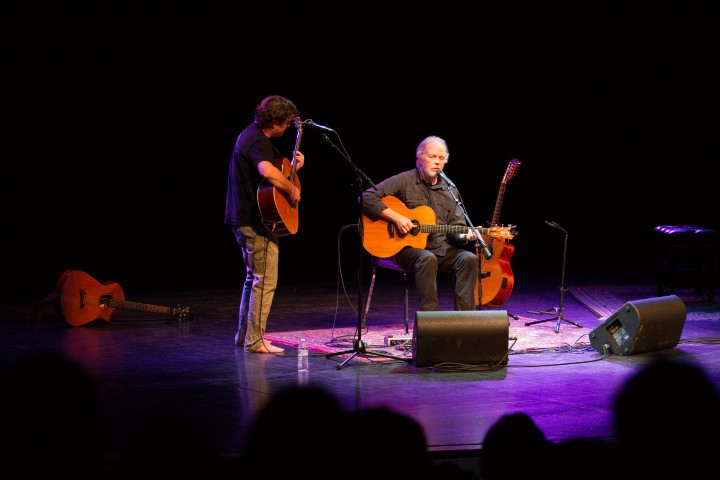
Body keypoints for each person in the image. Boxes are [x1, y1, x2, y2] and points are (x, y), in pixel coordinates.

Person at [362, 135, 480, 311]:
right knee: (427, 258)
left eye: (441, 158)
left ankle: (465, 321)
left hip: (440, 249)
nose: (437, 162)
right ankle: (431, 321)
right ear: (420, 157)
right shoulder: (404, 180)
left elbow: (456, 229)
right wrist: (397, 217)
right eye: (432, 157)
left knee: (469, 258)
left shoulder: (450, 190)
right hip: (406, 251)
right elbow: (366, 197)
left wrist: (465, 235)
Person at [225, 95, 305, 353]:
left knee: (253, 279)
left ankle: (245, 336)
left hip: (249, 218)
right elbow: (267, 172)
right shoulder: (256, 139)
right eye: (286, 124)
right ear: (276, 122)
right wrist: (292, 189)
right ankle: (255, 341)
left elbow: (277, 172)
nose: (287, 129)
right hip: (253, 221)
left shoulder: (257, 137)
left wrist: (294, 168)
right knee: (265, 281)